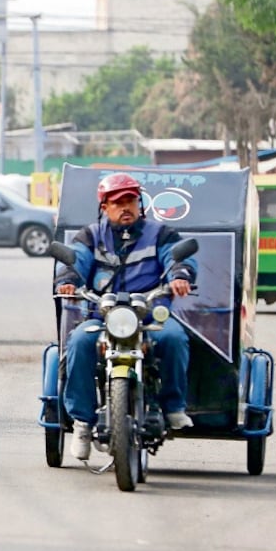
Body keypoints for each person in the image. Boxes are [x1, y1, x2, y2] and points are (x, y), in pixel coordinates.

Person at [54, 172, 197, 460]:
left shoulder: (161, 234)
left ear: (139, 204)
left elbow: (177, 259)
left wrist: (180, 276)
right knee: (79, 342)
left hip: (149, 315)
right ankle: (82, 423)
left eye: (130, 201)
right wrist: (68, 281)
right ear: (104, 207)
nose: (126, 208)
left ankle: (173, 407)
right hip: (102, 315)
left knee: (174, 337)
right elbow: (75, 261)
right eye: (118, 203)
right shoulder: (90, 236)